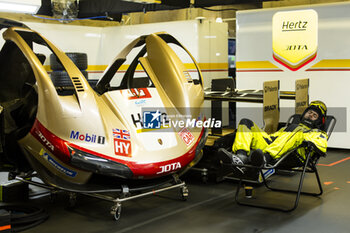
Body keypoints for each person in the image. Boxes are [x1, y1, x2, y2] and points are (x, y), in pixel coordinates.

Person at [220, 101, 328, 172]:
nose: (310, 115)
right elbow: (273, 138)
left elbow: (322, 147)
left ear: (319, 120)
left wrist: (305, 138)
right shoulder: (291, 127)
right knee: (246, 122)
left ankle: (265, 158)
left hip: (293, 155)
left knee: (295, 129)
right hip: (272, 144)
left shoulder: (318, 132)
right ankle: (241, 157)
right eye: (309, 112)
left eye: (315, 115)